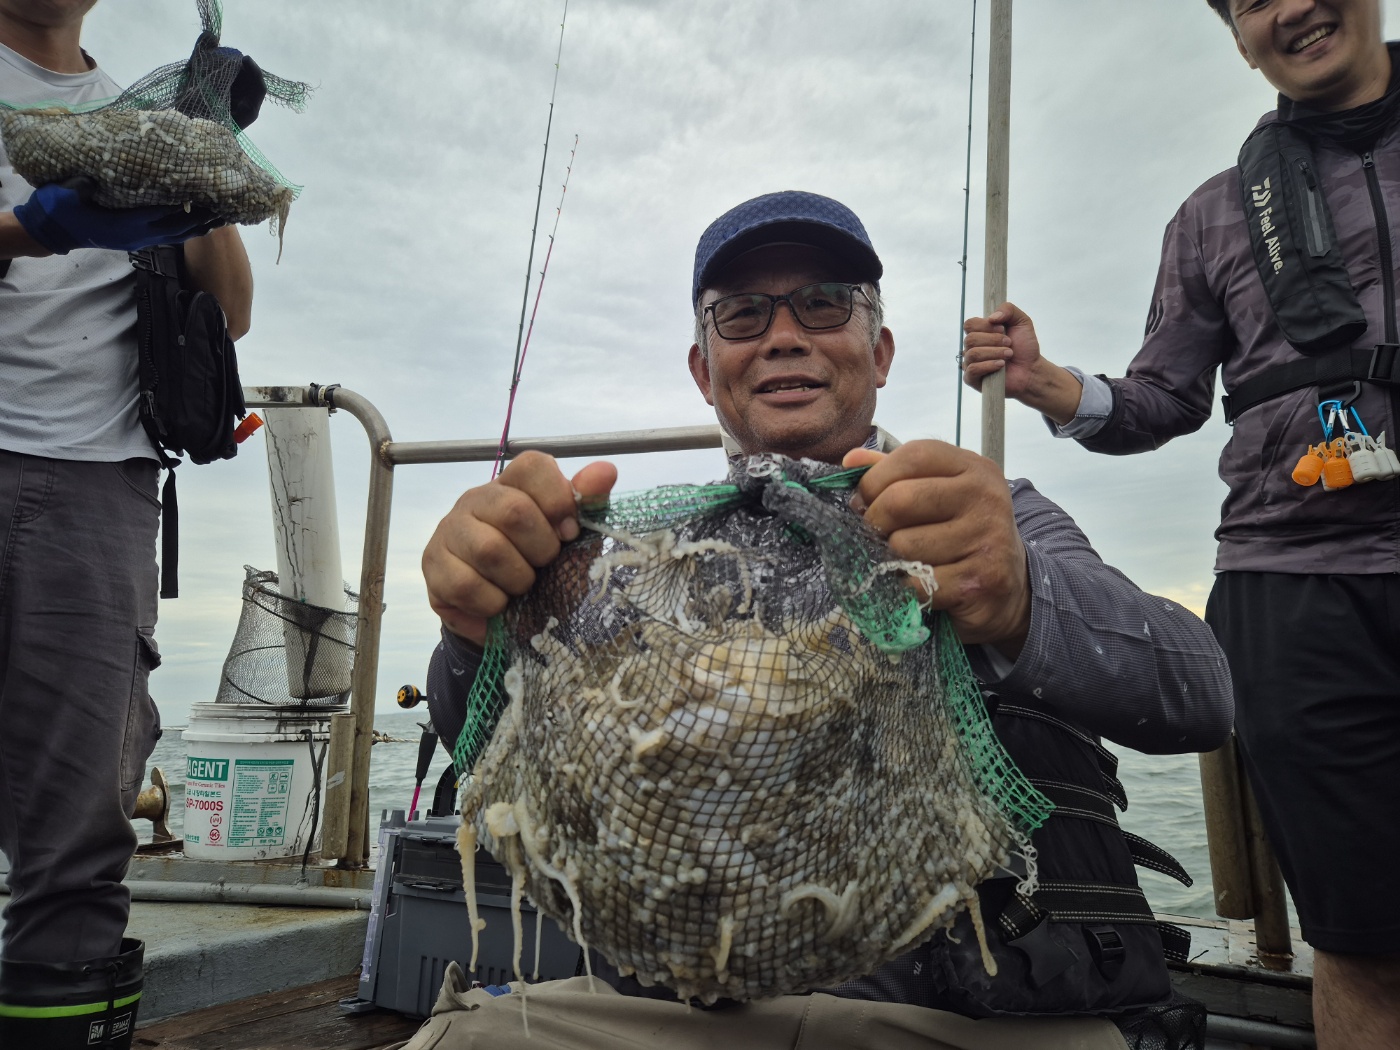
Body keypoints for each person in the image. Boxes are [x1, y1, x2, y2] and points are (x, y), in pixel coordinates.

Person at [415, 190, 1232, 1050]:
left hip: (970, 1019)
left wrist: (1020, 599)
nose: (783, 335)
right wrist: (476, 634)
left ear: (879, 353)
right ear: (704, 371)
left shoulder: (993, 521)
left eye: (824, 303)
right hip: (683, 1017)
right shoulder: (624, 563)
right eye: (742, 314)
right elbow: (486, 741)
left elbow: (1199, 693)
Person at [960, 2, 1400, 1047]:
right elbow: (1162, 400)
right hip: (1295, 588)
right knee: (1362, 940)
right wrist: (1047, 382)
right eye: (1247, 0)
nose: (1288, 8)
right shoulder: (1210, 215)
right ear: (1237, 39)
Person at [0, 3, 253, 1047]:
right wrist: (35, 230)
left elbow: (229, 311)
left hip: (100, 493)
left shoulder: (131, 115)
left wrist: (201, 165)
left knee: (77, 832)